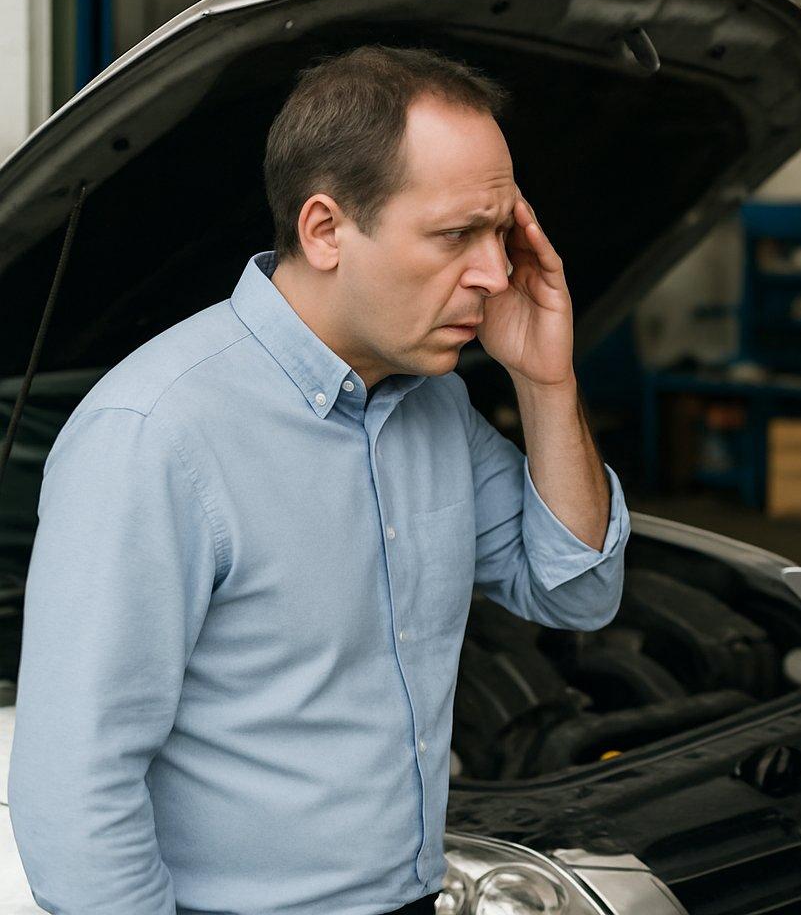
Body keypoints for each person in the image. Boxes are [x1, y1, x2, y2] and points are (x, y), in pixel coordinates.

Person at [8, 45, 630, 915]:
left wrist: (546, 383)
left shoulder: (432, 406)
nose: (495, 274)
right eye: (457, 235)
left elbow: (578, 593)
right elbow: (76, 788)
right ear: (326, 230)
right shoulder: (154, 436)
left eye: (500, 232)